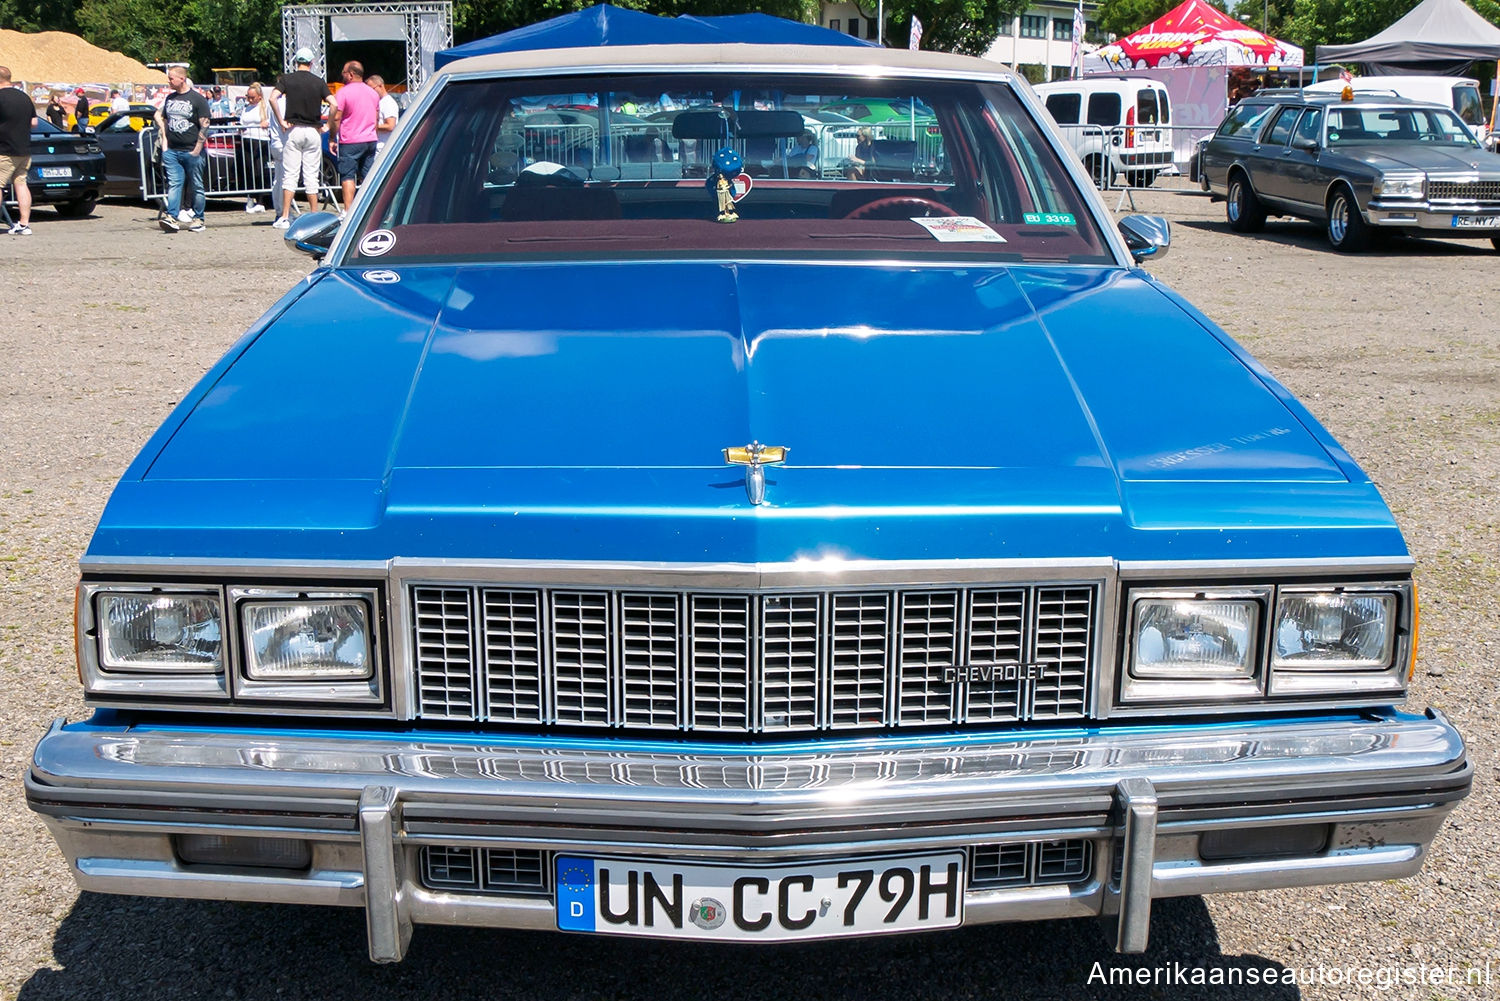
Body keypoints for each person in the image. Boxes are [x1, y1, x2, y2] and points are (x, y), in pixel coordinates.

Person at [270, 47, 333, 230]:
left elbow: (273, 98)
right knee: (311, 176)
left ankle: (285, 216)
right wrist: (327, 125)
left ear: (296, 62)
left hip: (294, 129)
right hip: (313, 130)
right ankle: (314, 214)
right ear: (311, 63)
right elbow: (334, 103)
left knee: (290, 175)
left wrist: (281, 120)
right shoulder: (318, 82)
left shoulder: (286, 80)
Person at [154, 66, 210, 232]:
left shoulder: (198, 99)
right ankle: (172, 216)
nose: (169, 82)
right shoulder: (170, 99)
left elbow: (205, 125)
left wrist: (197, 148)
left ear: (182, 79)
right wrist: (165, 143)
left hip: (192, 150)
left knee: (197, 185)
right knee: (174, 184)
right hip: (172, 150)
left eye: (171, 78)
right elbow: (162, 118)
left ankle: (198, 218)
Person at [328, 60, 379, 217]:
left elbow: (336, 118)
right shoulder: (373, 93)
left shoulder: (343, 92)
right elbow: (376, 118)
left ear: (350, 74)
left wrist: (331, 137)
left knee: (348, 175)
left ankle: (348, 211)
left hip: (350, 140)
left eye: (343, 73)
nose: (342, 76)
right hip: (370, 139)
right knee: (369, 176)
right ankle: (372, 210)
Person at [0, 67, 37, 235]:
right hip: (24, 148)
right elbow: (34, 123)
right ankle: (24, 224)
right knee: (21, 183)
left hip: (4, 149)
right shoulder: (24, 97)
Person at [238, 83, 270, 213]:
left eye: (252, 97)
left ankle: (261, 200)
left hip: (261, 141)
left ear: (259, 97)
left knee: (259, 170)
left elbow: (271, 121)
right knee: (248, 170)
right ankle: (250, 197)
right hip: (246, 140)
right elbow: (242, 122)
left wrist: (265, 123)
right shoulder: (246, 109)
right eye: (248, 97)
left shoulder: (266, 108)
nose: (250, 100)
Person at [367, 74, 398, 149]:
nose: (370, 93)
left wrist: (370, 127)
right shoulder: (379, 102)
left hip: (383, 147)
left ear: (380, 86)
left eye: (372, 89)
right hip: (377, 146)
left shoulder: (388, 102)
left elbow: (390, 126)